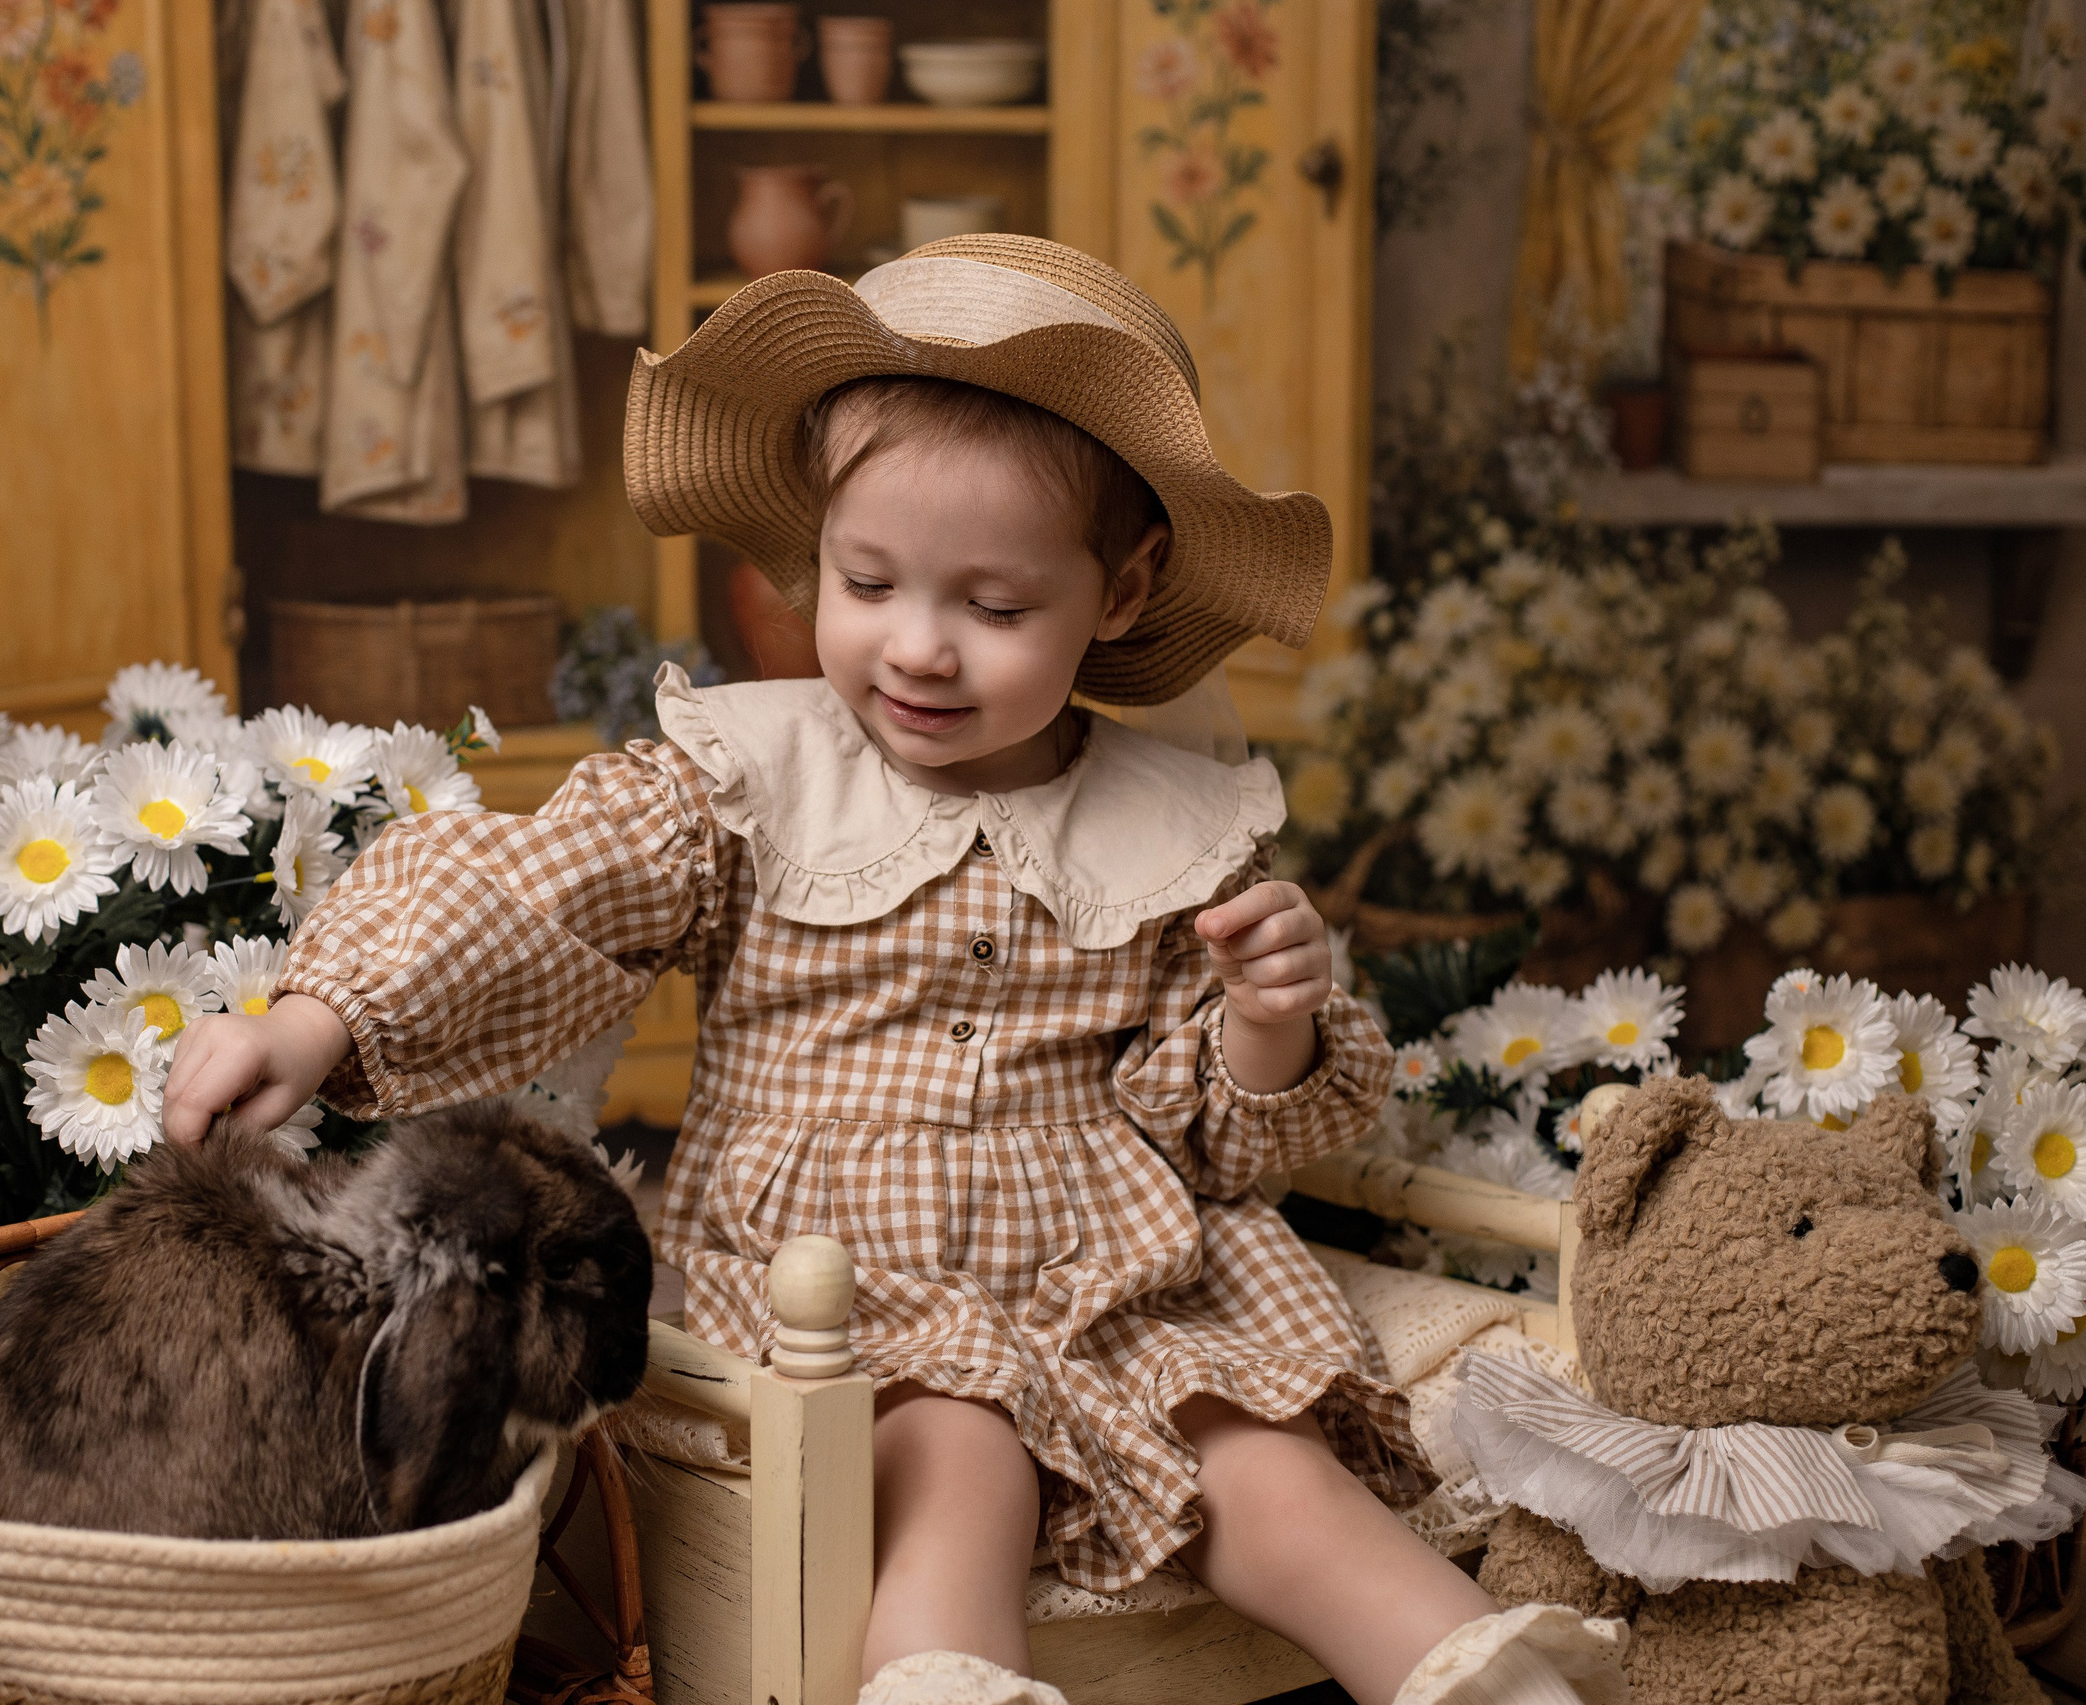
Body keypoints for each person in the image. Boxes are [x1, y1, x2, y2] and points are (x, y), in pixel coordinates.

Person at [163, 237, 1625, 1705]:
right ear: (817, 557)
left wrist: (1269, 1019)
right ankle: (946, 1679)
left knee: (1265, 1462)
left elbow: (1224, 1144)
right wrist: (316, 1016)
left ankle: (1483, 1679)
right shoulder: (751, 781)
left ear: (1124, 590)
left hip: (1114, 1276)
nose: (917, 649)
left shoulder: (1175, 824)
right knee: (955, 1455)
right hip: (845, 1284)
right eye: (866, 583)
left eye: (994, 610)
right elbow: (530, 888)